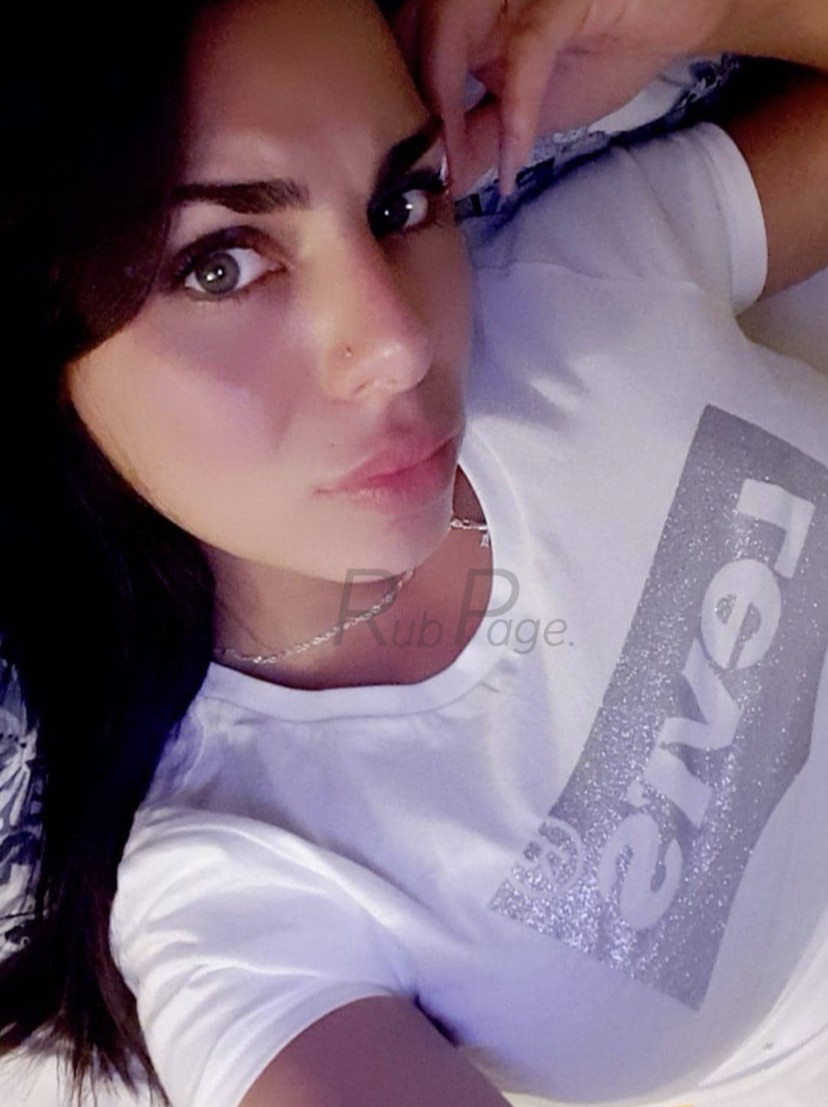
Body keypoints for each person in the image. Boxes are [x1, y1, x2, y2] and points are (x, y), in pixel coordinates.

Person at [0, 0, 827, 1105]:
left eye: (400, 201)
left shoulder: (576, 280)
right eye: (218, 267)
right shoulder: (245, 883)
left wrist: (716, 11)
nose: (395, 340)